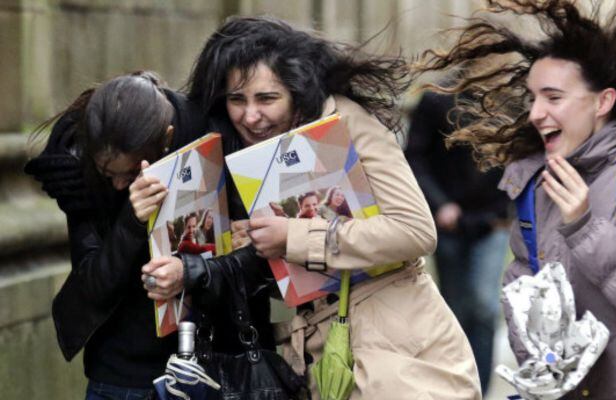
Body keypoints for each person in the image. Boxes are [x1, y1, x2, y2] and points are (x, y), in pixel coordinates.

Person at [416, 0, 616, 398]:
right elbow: (523, 301)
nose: (536, 112)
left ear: (603, 102)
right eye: (533, 97)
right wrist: (544, 365)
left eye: (553, 98)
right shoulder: (536, 182)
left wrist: (585, 225)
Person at [179, 15, 482, 399]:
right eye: (237, 100)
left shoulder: (346, 121)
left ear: (297, 90)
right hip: (321, 361)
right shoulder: (251, 152)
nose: (250, 116)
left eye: (267, 98)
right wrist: (255, 249)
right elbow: (305, 279)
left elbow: (415, 231)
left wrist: (292, 236)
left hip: (399, 361)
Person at [24, 71, 209, 398]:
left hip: (202, 362)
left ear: (166, 139)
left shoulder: (200, 132)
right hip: (121, 373)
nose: (120, 185)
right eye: (108, 173)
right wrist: (131, 222)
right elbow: (92, 285)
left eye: (131, 172)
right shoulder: (77, 169)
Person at [405, 89, 510, 395]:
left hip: (493, 221)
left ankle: (480, 388)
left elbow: (519, 157)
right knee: (455, 309)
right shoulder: (436, 99)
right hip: (448, 223)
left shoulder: (510, 98)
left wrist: (506, 209)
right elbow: (415, 156)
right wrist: (440, 205)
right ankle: (458, 385)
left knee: (483, 305)